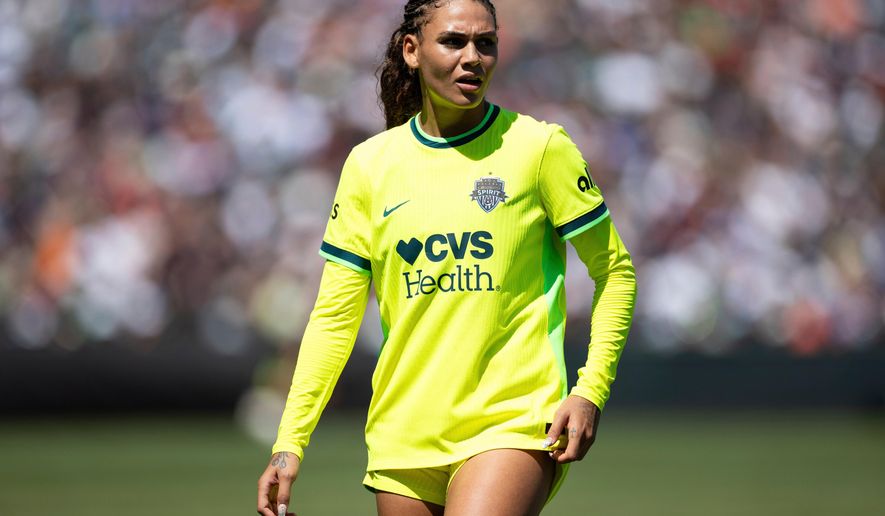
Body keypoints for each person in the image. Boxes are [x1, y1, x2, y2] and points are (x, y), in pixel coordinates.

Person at [257, 0, 636, 514]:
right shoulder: (370, 166)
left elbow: (615, 270)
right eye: (454, 41)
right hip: (403, 434)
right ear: (412, 50)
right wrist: (289, 442)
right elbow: (334, 317)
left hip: (511, 422)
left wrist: (589, 390)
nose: (473, 57)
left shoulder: (539, 148)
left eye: (486, 43)